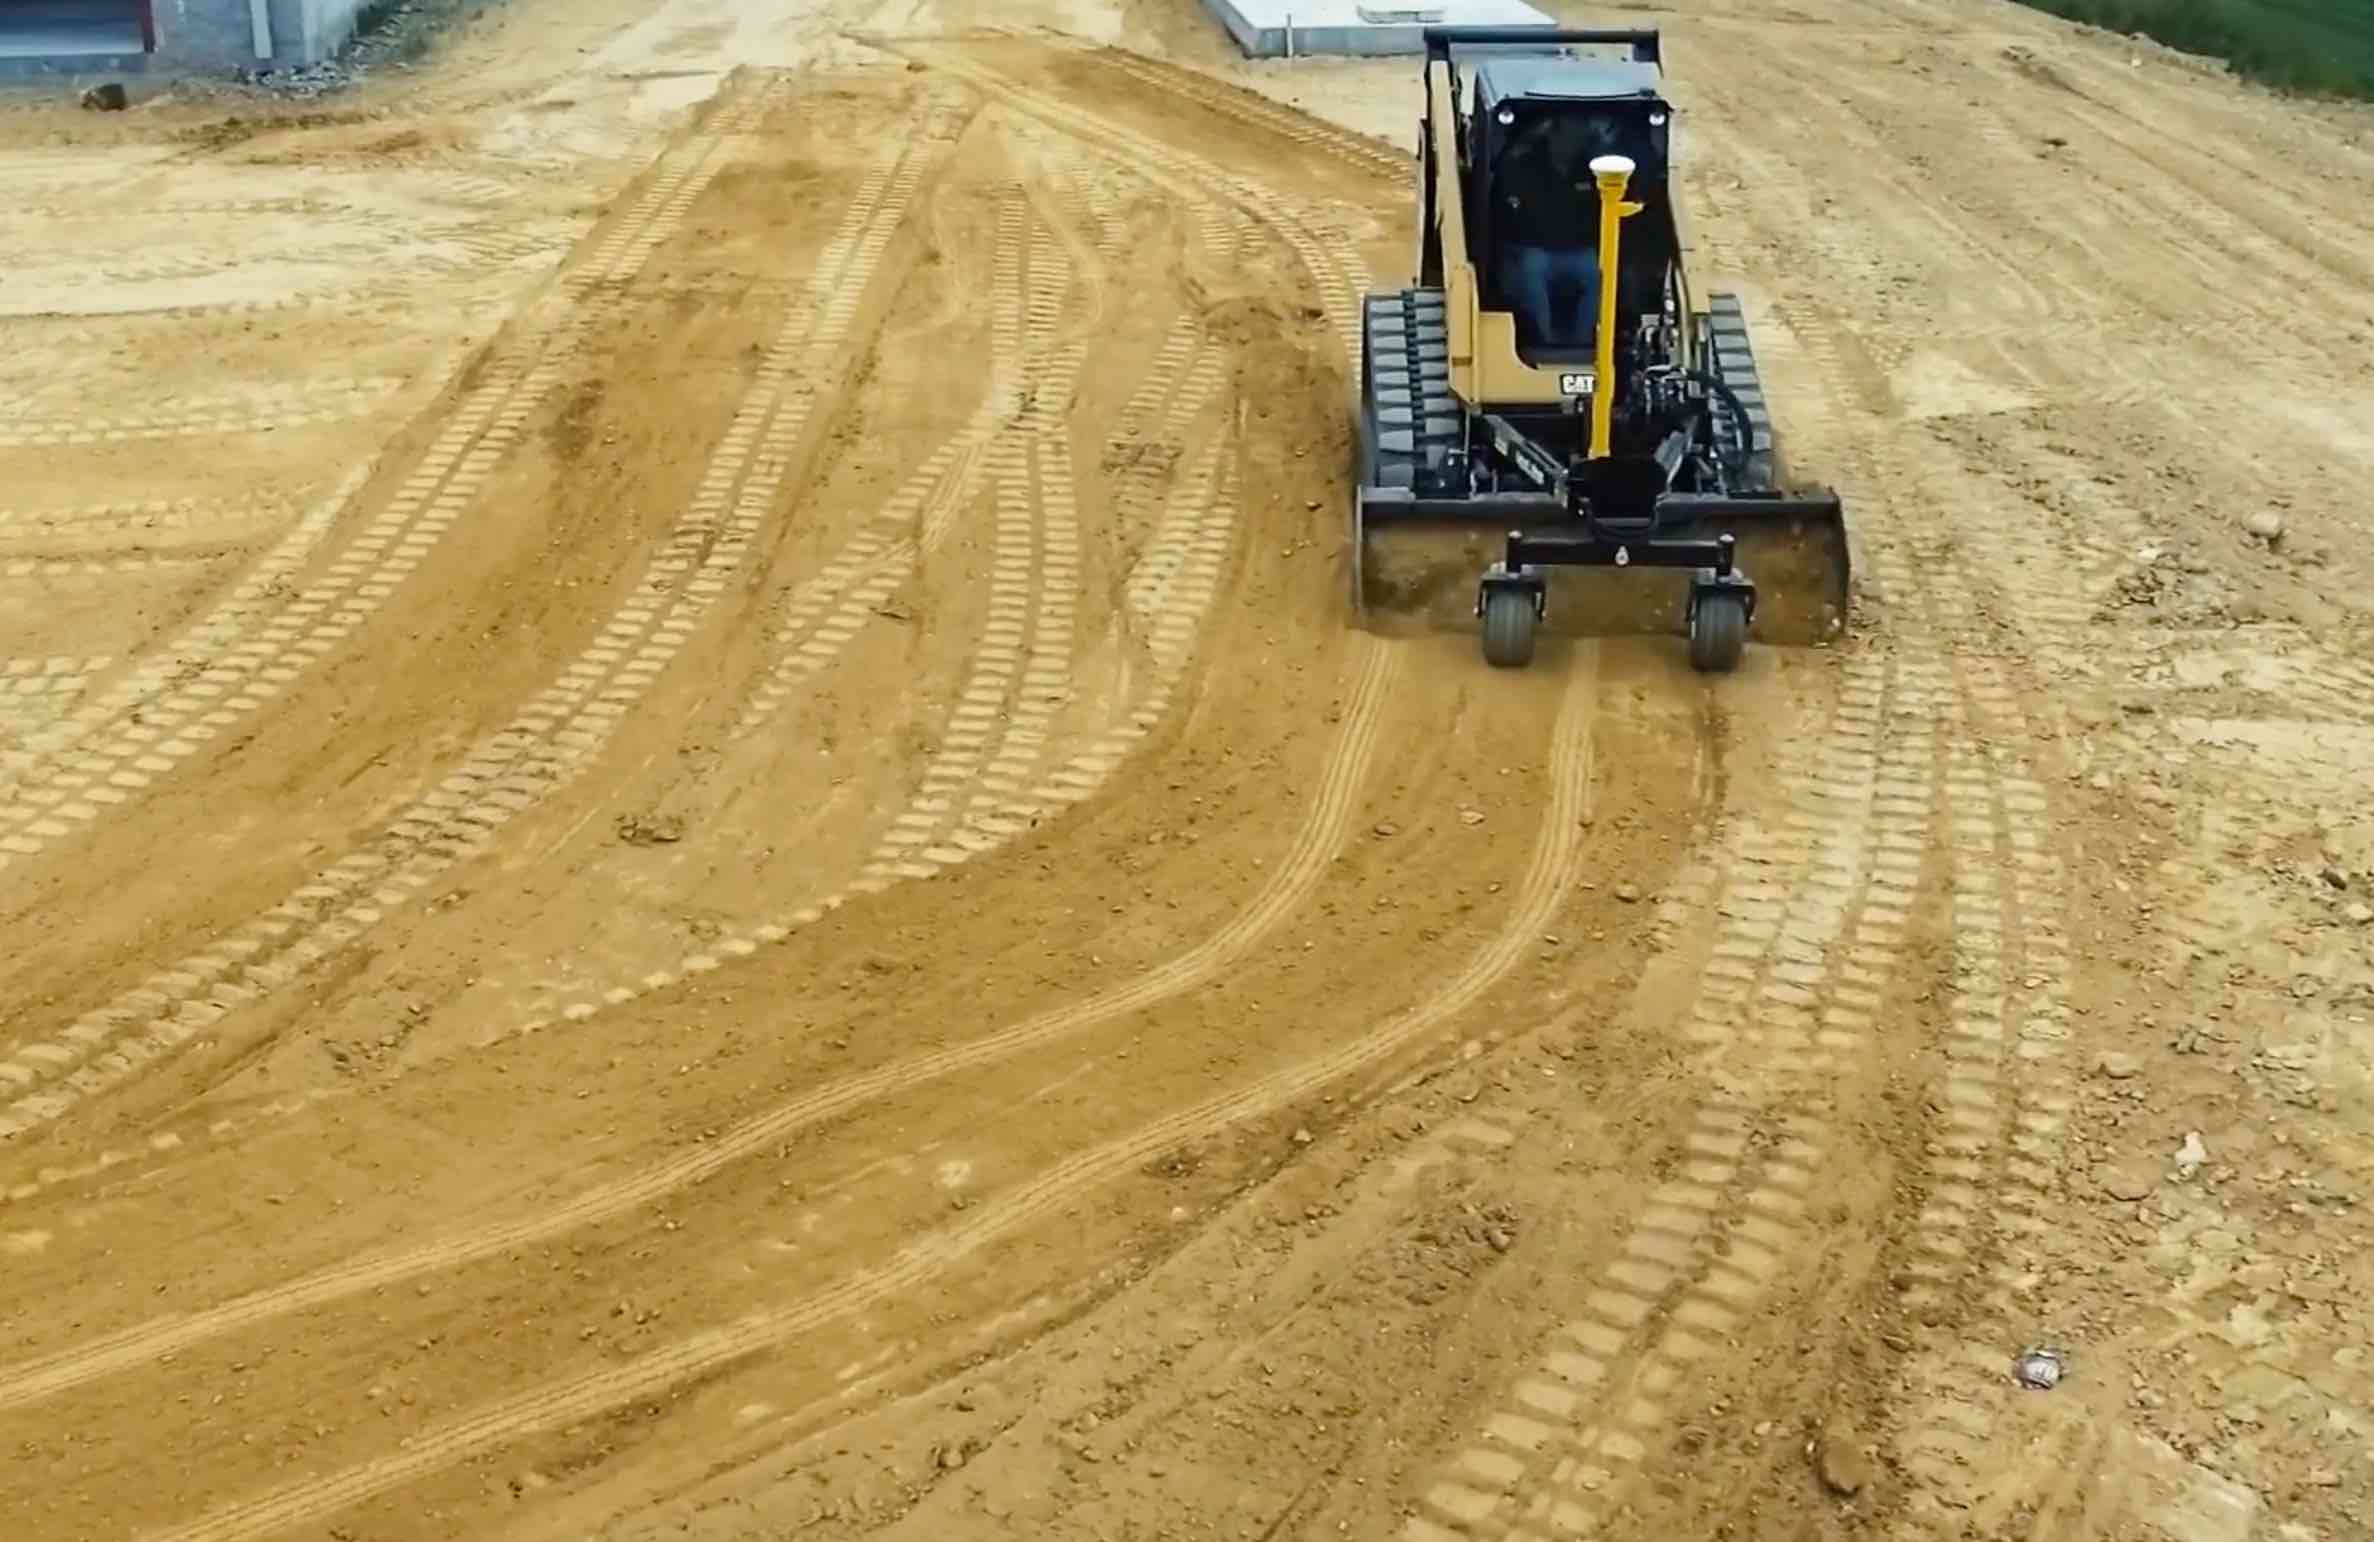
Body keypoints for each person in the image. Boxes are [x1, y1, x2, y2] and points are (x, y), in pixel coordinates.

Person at [1495, 121, 1605, 349]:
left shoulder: (1592, 170)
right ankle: (1544, 340)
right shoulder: (1527, 166)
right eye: (1568, 135)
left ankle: (1584, 340)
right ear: (1553, 135)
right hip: (1538, 250)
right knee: (1531, 270)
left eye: (1577, 137)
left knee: (1600, 274)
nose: (1572, 142)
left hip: (1579, 250)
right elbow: (1505, 189)